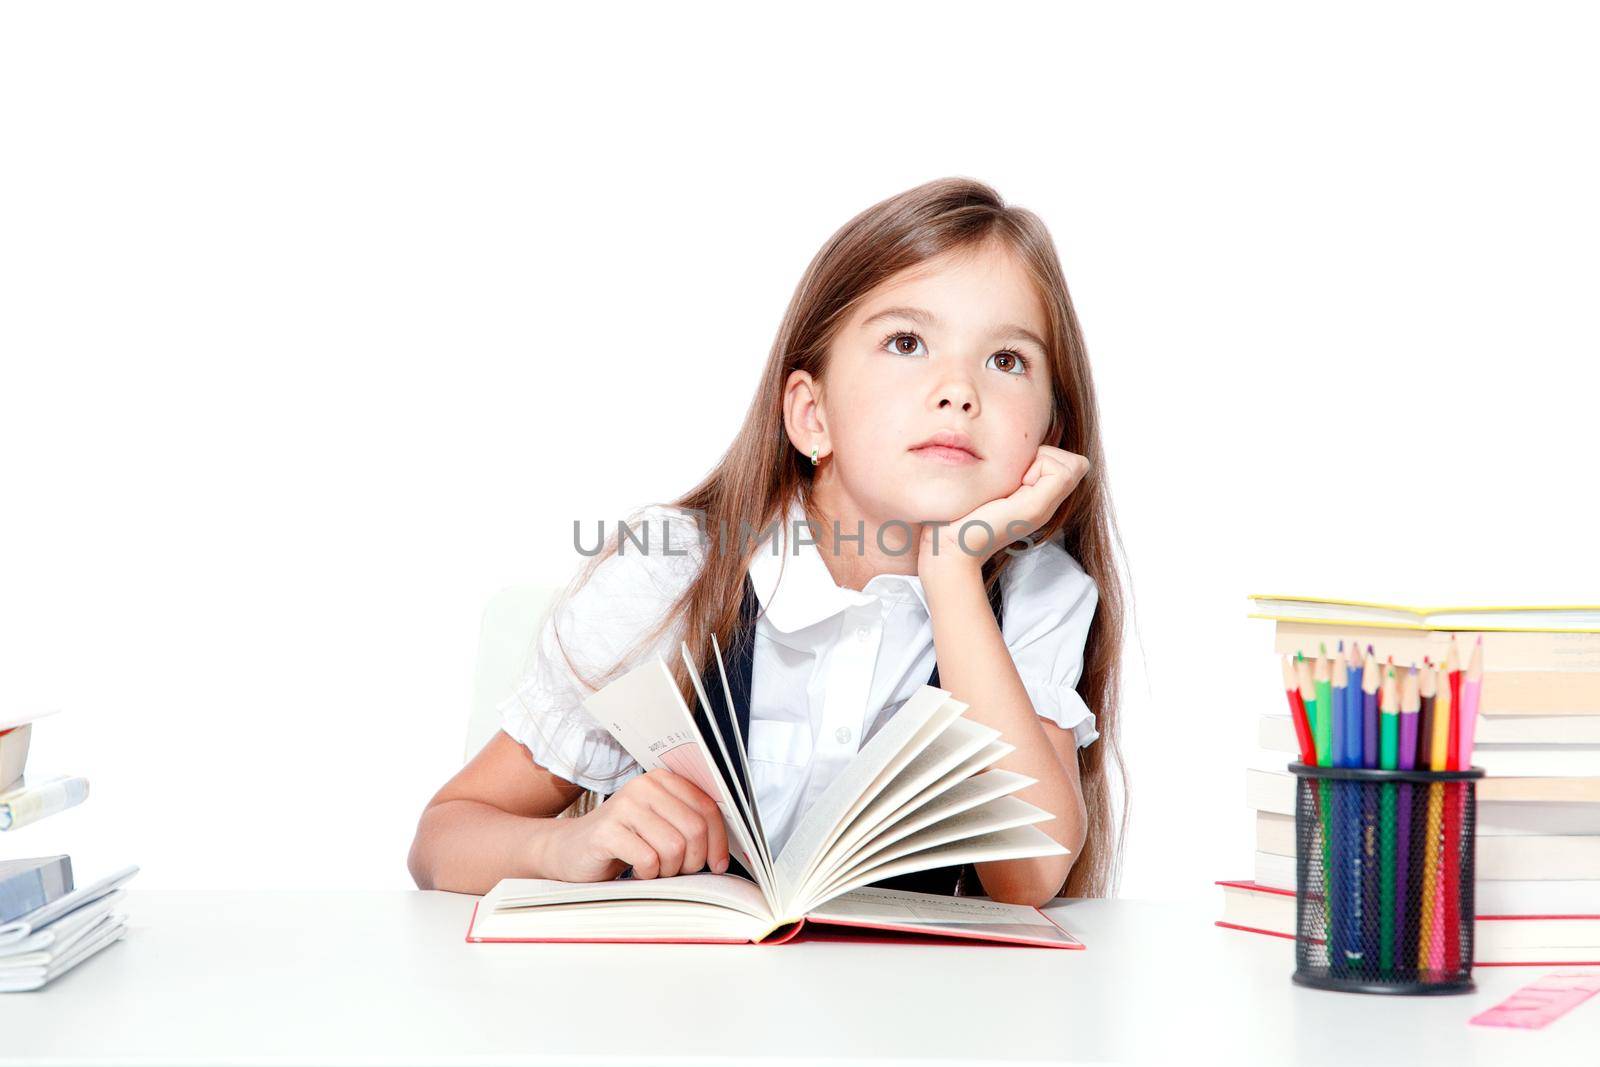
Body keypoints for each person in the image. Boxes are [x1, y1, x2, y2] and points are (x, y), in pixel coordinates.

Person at [408, 177, 1126, 907]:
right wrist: (567, 844)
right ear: (811, 415)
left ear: (1046, 438)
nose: (959, 390)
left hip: (909, 1016)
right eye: (907, 342)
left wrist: (952, 570)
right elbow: (443, 838)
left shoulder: (1038, 596)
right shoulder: (676, 572)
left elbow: (1027, 876)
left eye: (1007, 361)